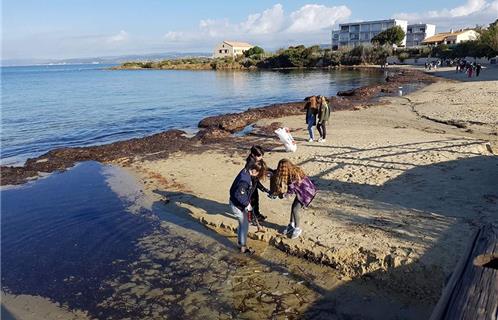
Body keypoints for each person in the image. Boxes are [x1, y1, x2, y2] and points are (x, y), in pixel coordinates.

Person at [269, 159, 317, 239]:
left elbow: (291, 191)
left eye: (281, 169)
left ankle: (297, 228)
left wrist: (283, 195)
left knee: (295, 209)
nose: (280, 170)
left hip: (306, 193)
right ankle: (291, 225)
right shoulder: (293, 169)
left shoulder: (293, 177)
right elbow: (277, 172)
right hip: (304, 191)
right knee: (293, 207)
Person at [229, 159, 266, 253]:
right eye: (258, 174)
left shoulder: (246, 170)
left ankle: (240, 242)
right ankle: (243, 247)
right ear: (254, 171)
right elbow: (238, 195)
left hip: (239, 203)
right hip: (237, 205)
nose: (258, 176)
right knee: (244, 225)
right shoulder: (244, 180)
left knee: (243, 223)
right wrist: (247, 204)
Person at [245, 145, 270, 224]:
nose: (261, 157)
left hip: (254, 186)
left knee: (256, 200)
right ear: (253, 154)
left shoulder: (256, 160)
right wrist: (263, 188)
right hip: (249, 187)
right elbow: (255, 180)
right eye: (259, 156)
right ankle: (250, 219)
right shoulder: (250, 164)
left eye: (262, 155)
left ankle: (257, 215)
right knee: (251, 203)